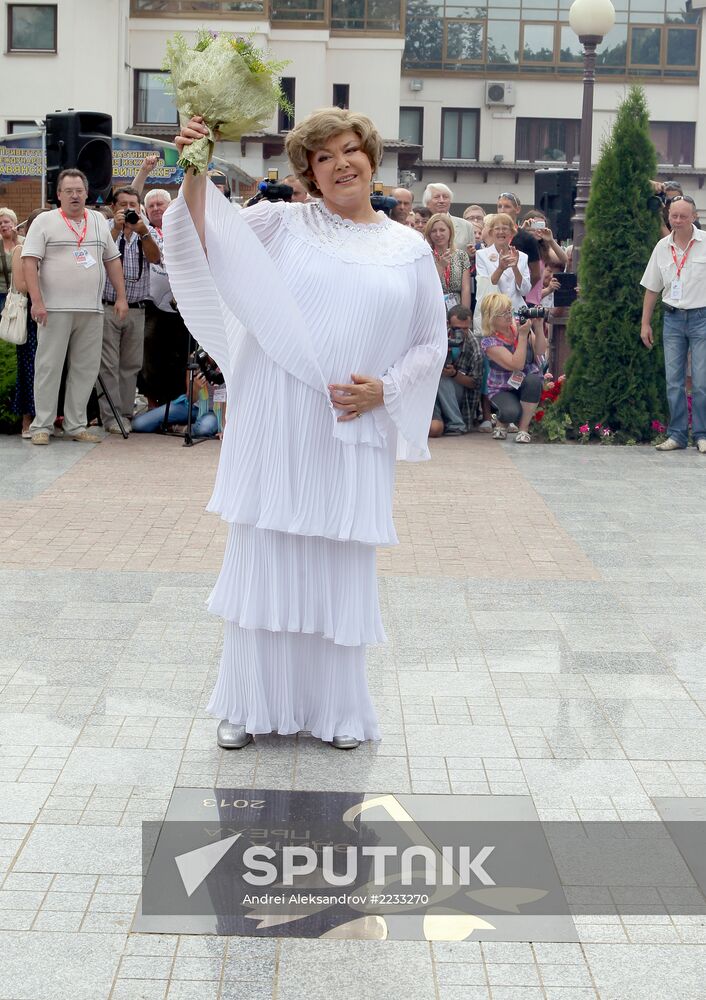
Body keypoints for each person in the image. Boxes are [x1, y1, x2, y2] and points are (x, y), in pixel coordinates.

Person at [164, 107, 446, 751]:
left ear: (372, 160)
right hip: (276, 420)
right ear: (309, 173)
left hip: (351, 425)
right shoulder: (277, 224)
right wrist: (195, 169)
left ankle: (336, 713)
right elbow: (201, 236)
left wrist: (388, 390)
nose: (342, 163)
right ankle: (246, 705)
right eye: (325, 157)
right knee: (265, 558)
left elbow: (431, 342)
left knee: (338, 566)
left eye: (352, 150)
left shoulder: (408, 247)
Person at [21, 168, 129, 445]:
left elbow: (112, 260)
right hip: (53, 308)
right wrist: (37, 301)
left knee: (86, 369)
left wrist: (120, 296)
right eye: (68, 191)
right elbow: (29, 261)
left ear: (87, 192)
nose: (74, 196)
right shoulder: (44, 221)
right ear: (58, 195)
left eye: (79, 191)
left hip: (91, 309)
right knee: (48, 367)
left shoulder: (97, 220)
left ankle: (76, 424)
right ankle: (42, 425)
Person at [641, 194, 706, 454]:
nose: (677, 221)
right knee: (674, 381)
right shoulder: (661, 247)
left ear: (694, 217)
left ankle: (701, 434)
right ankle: (677, 434)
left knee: (701, 380)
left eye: (683, 216)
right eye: (673, 216)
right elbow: (651, 288)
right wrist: (645, 323)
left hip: (702, 317)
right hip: (672, 319)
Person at [99, 186, 161, 433]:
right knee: (108, 364)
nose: (128, 209)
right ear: (114, 207)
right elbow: (100, 253)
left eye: (133, 205)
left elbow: (156, 258)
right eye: (123, 204)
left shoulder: (144, 230)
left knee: (130, 365)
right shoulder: (104, 228)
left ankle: (124, 413)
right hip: (108, 306)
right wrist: (116, 228)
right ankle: (110, 416)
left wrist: (143, 232)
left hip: (137, 308)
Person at [481, 292, 547, 444]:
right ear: (491, 317)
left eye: (509, 310)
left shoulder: (519, 325)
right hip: (503, 388)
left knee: (534, 381)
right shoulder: (489, 342)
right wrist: (522, 337)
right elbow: (516, 364)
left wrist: (538, 327)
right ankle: (502, 420)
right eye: (502, 313)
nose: (508, 315)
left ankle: (523, 429)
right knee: (511, 412)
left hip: (525, 381)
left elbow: (540, 351)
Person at [10, 208, 51, 437]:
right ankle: (28, 419)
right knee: (30, 367)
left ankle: (49, 417)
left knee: (51, 367)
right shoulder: (21, 250)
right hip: (31, 314)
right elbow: (22, 285)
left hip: (54, 312)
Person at [429, 305, 482, 437]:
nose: (461, 333)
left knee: (442, 378)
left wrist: (454, 374)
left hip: (461, 399)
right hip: (433, 394)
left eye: (465, 329)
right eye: (457, 329)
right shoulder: (437, 338)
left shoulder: (474, 346)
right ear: (448, 324)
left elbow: (475, 384)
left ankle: (456, 424)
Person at [474, 213, 531, 314]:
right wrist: (500, 269)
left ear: (511, 232)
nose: (501, 232)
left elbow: (525, 291)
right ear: (491, 232)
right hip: (492, 313)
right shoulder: (481, 255)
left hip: (517, 312)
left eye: (505, 228)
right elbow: (486, 288)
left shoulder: (522, 256)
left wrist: (515, 268)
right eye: (497, 229)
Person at [424, 213, 471, 309]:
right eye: (434, 231)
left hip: (457, 308)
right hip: (433, 306)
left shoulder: (461, 255)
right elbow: (426, 286)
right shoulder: (426, 256)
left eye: (442, 230)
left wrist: (464, 313)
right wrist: (440, 266)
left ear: (450, 231)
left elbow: (466, 288)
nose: (438, 234)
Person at [496, 192, 541, 289]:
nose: (502, 210)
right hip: (494, 292)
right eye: (499, 206)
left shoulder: (527, 239)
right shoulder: (492, 235)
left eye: (507, 206)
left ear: (517, 209)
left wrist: (523, 290)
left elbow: (536, 274)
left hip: (516, 295)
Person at [422, 183, 474, 250]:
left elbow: (472, 255)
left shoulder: (466, 226)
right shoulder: (420, 225)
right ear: (427, 203)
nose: (441, 201)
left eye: (445, 197)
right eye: (437, 197)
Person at [0, 207, 23, 315]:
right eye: (0, 223)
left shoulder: (24, 241)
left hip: (20, 294)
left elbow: (27, 262)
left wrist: (15, 240)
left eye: (6, 222)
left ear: (14, 223)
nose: (3, 225)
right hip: (1, 293)